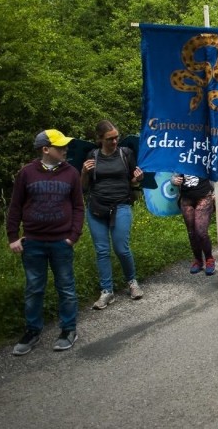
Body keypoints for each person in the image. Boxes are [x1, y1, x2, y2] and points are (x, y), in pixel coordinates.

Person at [7, 129, 84, 355]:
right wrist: (13, 237)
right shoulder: (26, 174)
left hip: (62, 241)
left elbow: (79, 206)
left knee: (66, 288)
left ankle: (68, 329)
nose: (65, 150)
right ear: (45, 149)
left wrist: (73, 236)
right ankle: (32, 331)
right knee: (34, 289)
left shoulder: (71, 173)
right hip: (33, 242)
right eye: (60, 147)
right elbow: (15, 206)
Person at [81, 120, 145, 310]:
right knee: (102, 251)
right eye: (110, 139)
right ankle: (107, 291)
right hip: (96, 208)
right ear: (100, 139)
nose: (115, 141)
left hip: (121, 206)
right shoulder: (92, 156)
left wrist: (138, 178)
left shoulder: (126, 154)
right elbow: (83, 187)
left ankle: (132, 282)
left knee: (121, 248)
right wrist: (84, 172)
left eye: (117, 137)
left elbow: (133, 181)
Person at [171, 173, 216, 275]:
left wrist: (215, 192)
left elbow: (213, 172)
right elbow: (173, 176)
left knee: (201, 232)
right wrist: (174, 180)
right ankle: (198, 260)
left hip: (204, 196)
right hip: (186, 199)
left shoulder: (204, 156)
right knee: (192, 232)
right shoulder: (181, 158)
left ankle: (209, 259)